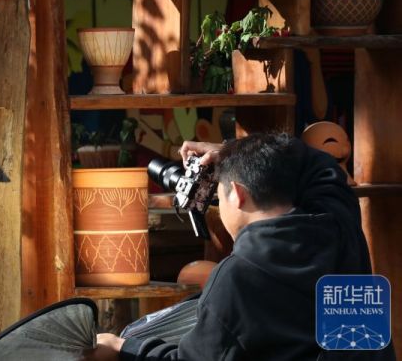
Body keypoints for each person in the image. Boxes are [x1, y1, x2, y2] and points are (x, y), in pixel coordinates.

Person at [84, 133, 395, 360]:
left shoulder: (238, 276)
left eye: (219, 192)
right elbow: (319, 164)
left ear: (237, 193)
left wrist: (123, 348)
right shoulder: (338, 221)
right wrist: (237, 154)